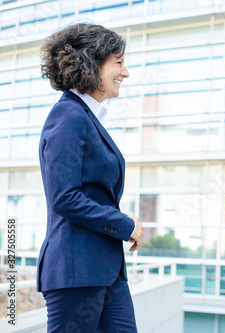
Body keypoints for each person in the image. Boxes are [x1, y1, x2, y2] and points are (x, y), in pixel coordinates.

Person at [36, 23, 144, 332]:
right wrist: (126, 225)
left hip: (105, 269)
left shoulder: (85, 118)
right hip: (76, 271)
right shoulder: (68, 116)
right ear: (92, 63)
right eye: (118, 62)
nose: (125, 72)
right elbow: (64, 198)